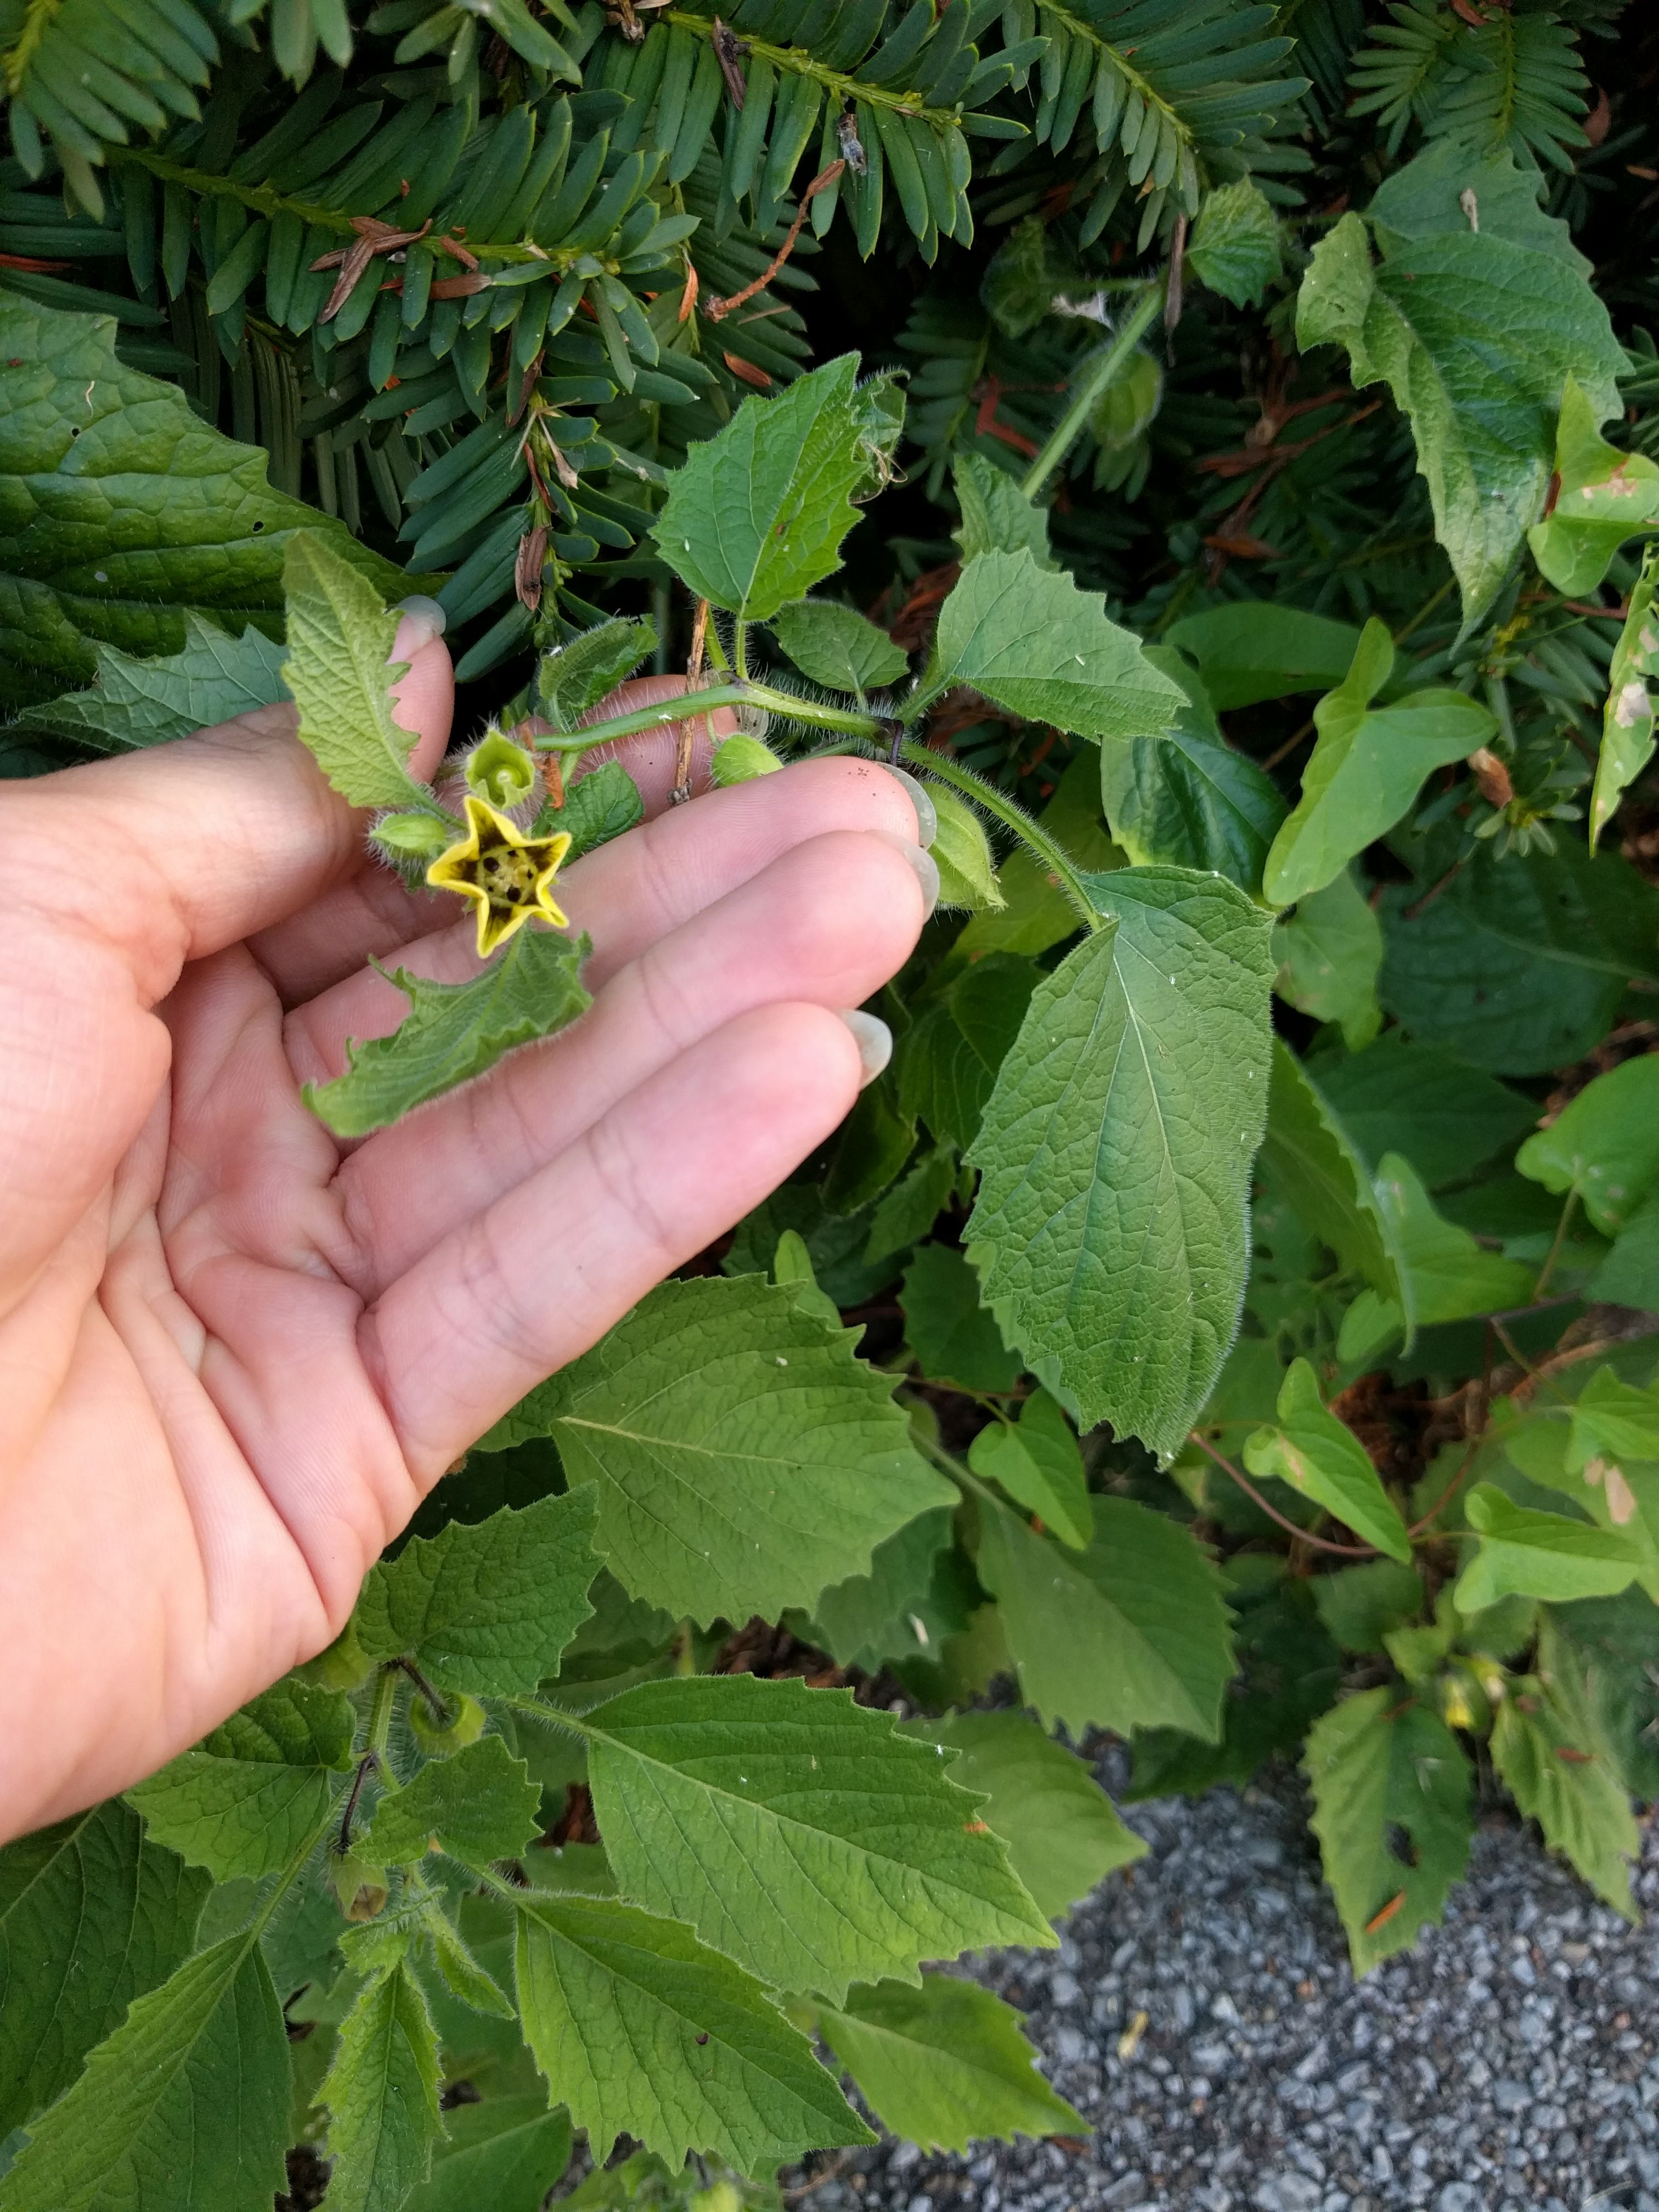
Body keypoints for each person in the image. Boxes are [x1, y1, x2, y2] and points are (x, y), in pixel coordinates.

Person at [0, 602, 937, 1847]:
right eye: (491, 869)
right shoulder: (496, 883)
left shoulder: (508, 878)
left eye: (503, 872)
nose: (497, 874)